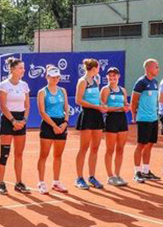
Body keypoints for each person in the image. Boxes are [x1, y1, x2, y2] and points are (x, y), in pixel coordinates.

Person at [0, 57, 30, 195]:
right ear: (13, 70)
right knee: (5, 154)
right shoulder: (4, 85)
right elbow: (3, 105)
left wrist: (24, 120)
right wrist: (13, 121)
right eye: (20, 68)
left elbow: (27, 105)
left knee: (19, 154)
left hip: (21, 120)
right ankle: (1, 183)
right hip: (7, 120)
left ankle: (19, 182)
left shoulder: (24, 85)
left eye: (23, 67)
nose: (23, 70)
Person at [36, 66, 70, 194]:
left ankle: (56, 182)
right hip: (48, 124)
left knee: (58, 155)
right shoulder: (42, 92)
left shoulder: (63, 91)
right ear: (47, 77)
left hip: (61, 124)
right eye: (52, 76)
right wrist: (54, 126)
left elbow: (67, 108)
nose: (55, 79)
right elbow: (42, 112)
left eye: (57, 77)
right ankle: (41, 182)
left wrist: (65, 122)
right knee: (44, 155)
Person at [74, 58, 107, 190]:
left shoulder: (95, 81)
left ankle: (92, 176)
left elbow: (97, 98)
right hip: (87, 115)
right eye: (98, 67)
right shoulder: (82, 81)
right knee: (84, 148)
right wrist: (95, 106)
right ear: (94, 68)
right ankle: (79, 178)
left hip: (97, 115)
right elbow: (78, 100)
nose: (99, 69)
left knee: (95, 148)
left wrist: (102, 105)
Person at [131, 59, 161, 183]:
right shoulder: (141, 82)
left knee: (150, 144)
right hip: (143, 119)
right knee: (141, 145)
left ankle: (146, 171)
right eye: (156, 67)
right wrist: (134, 115)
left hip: (154, 118)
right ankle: (137, 172)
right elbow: (134, 100)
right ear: (149, 68)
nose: (158, 69)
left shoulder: (155, 82)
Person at [100, 67, 129, 187]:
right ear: (107, 77)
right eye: (110, 76)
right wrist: (119, 108)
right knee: (110, 149)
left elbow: (125, 104)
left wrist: (127, 106)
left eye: (114, 75)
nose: (112, 78)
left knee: (120, 149)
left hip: (122, 119)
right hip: (111, 119)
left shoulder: (123, 90)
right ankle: (110, 176)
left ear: (118, 76)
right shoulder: (105, 90)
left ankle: (117, 174)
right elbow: (104, 108)